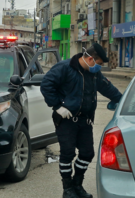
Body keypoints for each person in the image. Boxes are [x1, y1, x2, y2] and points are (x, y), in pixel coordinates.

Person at [40, 44, 122, 198]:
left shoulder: (94, 74)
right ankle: (67, 189)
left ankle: (77, 185)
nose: (99, 69)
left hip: (85, 120)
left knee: (87, 153)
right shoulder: (65, 68)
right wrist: (57, 106)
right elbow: (46, 85)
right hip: (66, 119)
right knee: (68, 153)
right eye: (99, 64)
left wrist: (122, 100)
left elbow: (107, 88)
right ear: (90, 59)